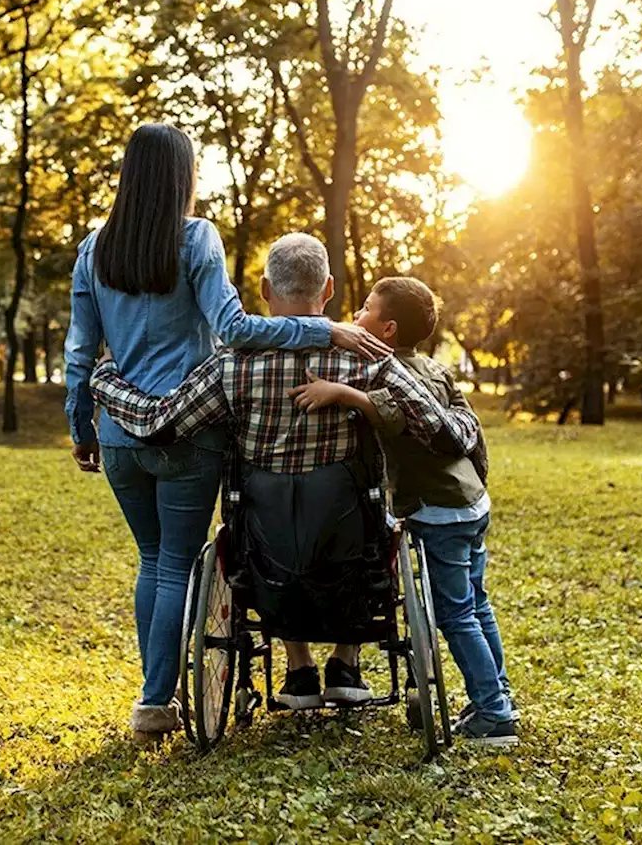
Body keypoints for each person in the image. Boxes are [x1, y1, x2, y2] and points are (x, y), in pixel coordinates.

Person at [64, 124, 388, 745]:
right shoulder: (194, 238)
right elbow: (235, 329)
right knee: (175, 565)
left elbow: (80, 352)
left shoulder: (93, 250)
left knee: (152, 560)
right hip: (188, 428)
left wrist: (81, 425)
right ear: (182, 176)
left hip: (120, 432)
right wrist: (324, 332)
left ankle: (154, 700)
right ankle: (156, 703)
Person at [89, 233, 481, 716]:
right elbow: (438, 428)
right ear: (330, 288)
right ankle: (344, 661)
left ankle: (298, 667)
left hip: (264, 550)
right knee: (356, 511)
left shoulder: (232, 364)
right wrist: (467, 425)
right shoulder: (366, 357)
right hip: (352, 546)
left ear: (264, 291)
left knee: (269, 525)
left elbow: (156, 423)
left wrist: (103, 379)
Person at [291, 276, 518, 747]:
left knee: (456, 615)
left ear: (387, 328)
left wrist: (339, 393)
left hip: (438, 510)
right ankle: (497, 696)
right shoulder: (435, 369)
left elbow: (391, 414)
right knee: (477, 604)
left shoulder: (389, 375)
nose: (356, 314)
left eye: (366, 309)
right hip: (471, 500)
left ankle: (494, 715)